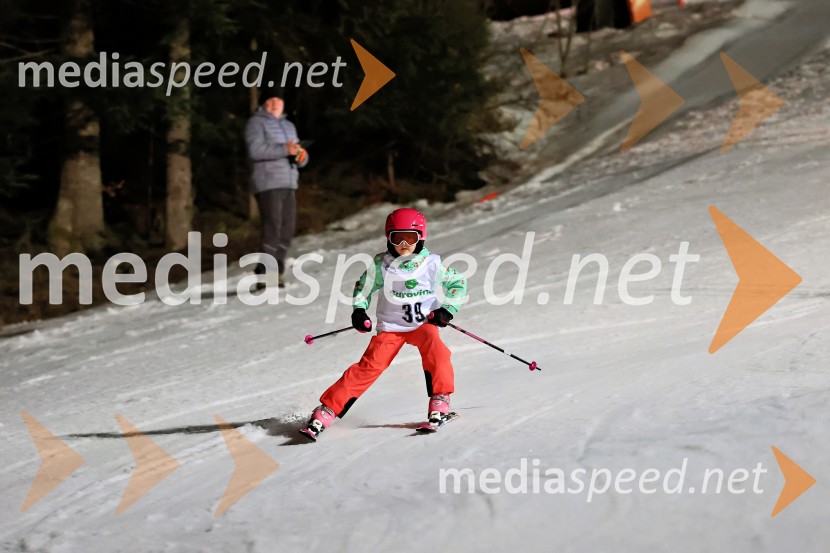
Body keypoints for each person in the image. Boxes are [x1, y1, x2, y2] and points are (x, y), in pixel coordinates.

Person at [300, 208, 468, 441]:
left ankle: (440, 400)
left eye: (410, 238)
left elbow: (458, 283)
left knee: (437, 350)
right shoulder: (382, 265)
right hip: (391, 328)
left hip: (422, 324)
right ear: (388, 238)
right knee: (368, 367)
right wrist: (359, 311)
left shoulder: (431, 264)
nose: (403, 245)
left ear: (421, 238)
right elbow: (363, 288)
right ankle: (327, 411)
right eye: (397, 238)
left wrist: (447, 311)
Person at [244, 87, 309, 288]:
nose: (274, 104)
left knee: (287, 230)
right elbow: (255, 150)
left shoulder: (289, 126)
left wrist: (301, 156)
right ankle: (268, 274)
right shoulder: (256, 123)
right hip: (268, 182)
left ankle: (272, 269)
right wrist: (284, 149)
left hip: (289, 181)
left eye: (278, 100)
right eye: (270, 100)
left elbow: (299, 157)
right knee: (273, 227)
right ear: (263, 104)